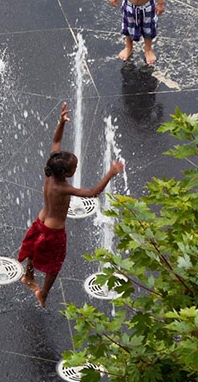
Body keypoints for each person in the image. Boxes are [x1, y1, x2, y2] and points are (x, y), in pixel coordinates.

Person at [19, 102, 124, 308]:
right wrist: (110, 173)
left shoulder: (50, 172)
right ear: (66, 173)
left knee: (33, 248)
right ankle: (43, 294)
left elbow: (56, 140)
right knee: (54, 266)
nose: (77, 166)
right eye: (75, 166)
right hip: (53, 232)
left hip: (41, 221)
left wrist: (61, 123)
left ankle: (28, 276)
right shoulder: (63, 188)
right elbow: (93, 193)